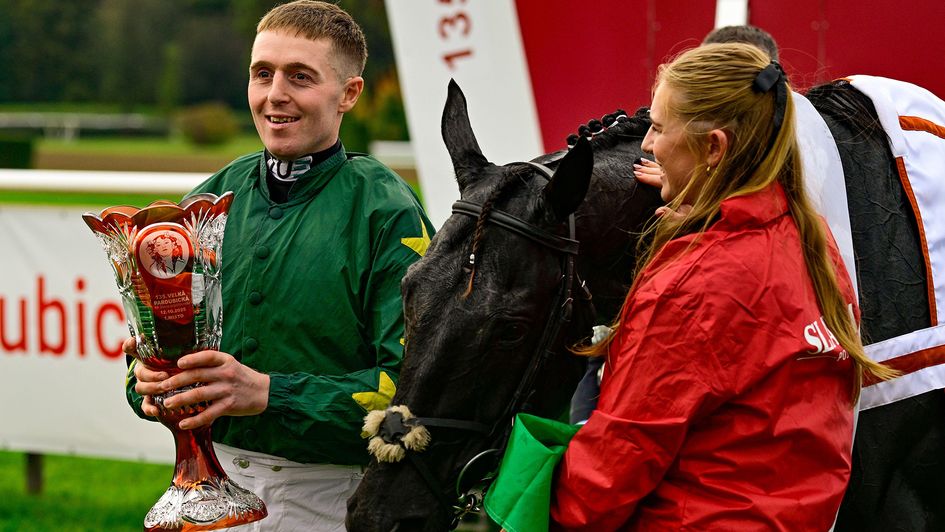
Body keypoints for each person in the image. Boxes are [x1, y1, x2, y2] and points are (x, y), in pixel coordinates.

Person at [549, 43, 895, 530]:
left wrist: (539, 508)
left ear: (714, 147)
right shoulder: (810, 241)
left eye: (658, 127)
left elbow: (611, 472)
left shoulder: (697, 285)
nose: (647, 144)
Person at [124, 1, 435, 530]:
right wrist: (148, 381)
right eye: (262, 74)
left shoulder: (387, 211)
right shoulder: (212, 196)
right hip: (199, 490)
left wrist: (268, 394)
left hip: (329, 498)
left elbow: (414, 390)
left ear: (349, 94)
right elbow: (155, 348)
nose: (275, 95)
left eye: (301, 77)